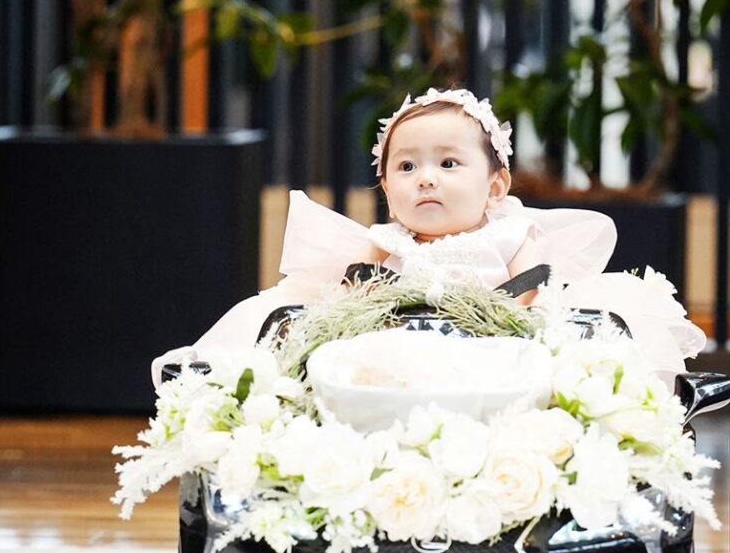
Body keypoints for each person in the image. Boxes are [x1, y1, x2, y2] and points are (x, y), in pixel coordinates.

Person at [152, 87, 704, 386]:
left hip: (497, 345)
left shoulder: (513, 232)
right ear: (386, 186)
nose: (426, 178)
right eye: (407, 167)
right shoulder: (389, 240)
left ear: (495, 186)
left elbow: (532, 290)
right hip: (396, 347)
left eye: (448, 163)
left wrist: (492, 318)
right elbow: (356, 290)